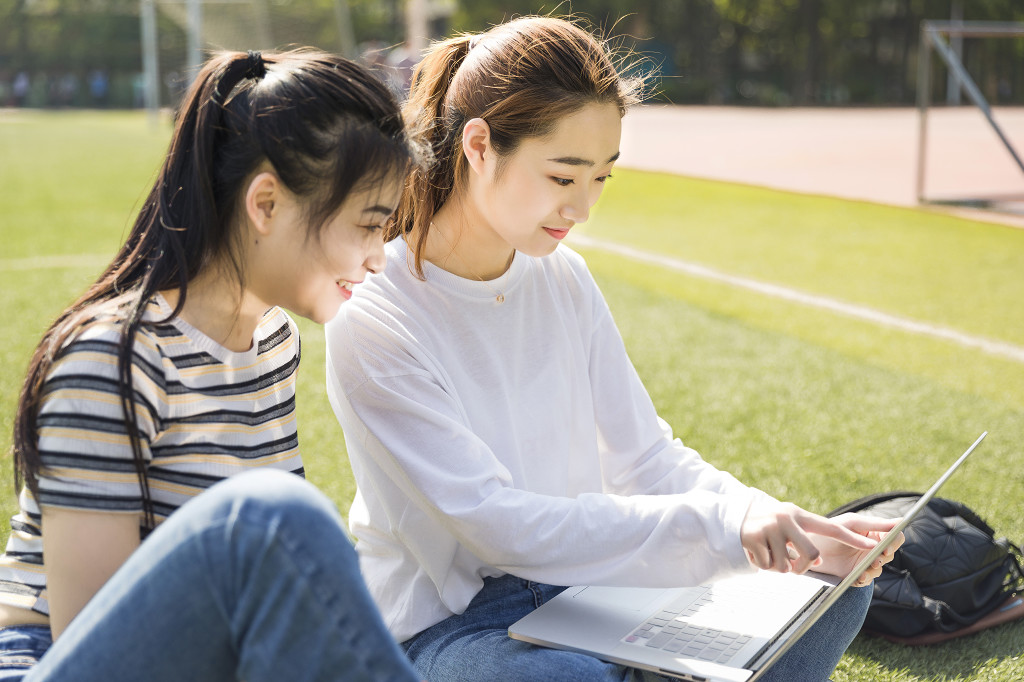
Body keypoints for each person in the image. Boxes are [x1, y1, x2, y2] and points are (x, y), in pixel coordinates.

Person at [325, 16, 904, 682]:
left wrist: (764, 518)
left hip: (590, 596)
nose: (583, 207)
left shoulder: (562, 276)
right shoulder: (374, 313)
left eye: (601, 177)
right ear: (479, 147)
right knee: (569, 680)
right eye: (564, 177)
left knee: (833, 591)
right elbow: (498, 525)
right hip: (449, 628)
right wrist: (723, 530)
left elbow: (646, 457)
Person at [0, 49, 424, 682]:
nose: (378, 258)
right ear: (266, 204)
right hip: (50, 663)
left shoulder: (274, 342)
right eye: (368, 225)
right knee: (271, 518)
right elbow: (91, 639)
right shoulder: (112, 361)